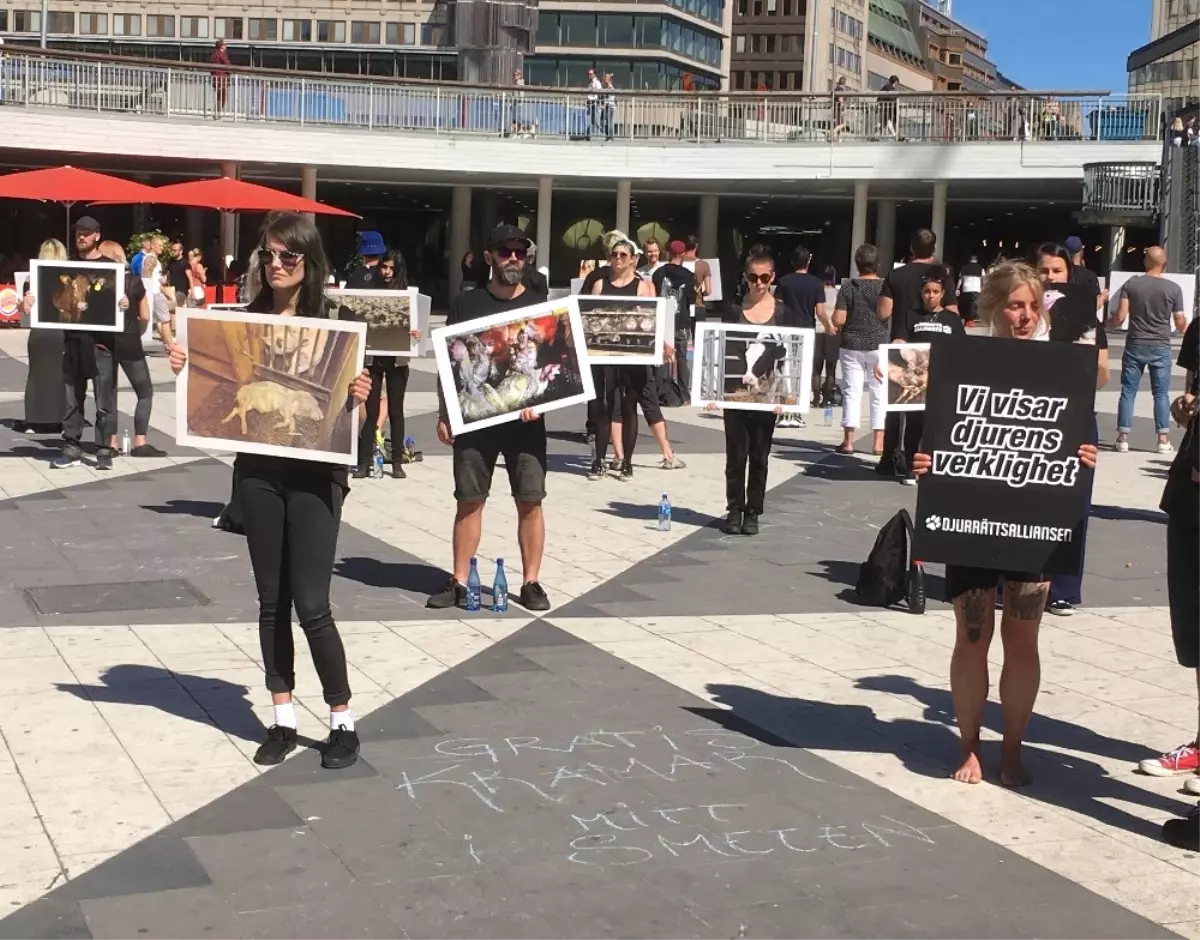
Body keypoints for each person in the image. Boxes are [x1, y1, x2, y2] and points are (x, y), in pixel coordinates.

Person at [167, 212, 373, 770]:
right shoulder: (247, 320)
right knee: (270, 601)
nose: (276, 265)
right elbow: (222, 392)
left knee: (312, 604)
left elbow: (352, 415)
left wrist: (360, 393)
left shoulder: (336, 320)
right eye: (269, 256)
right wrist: (185, 365)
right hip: (258, 473)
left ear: (310, 261)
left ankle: (342, 721)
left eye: (288, 256)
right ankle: (282, 718)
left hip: (316, 479)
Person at [909, 261, 1098, 787]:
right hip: (970, 515)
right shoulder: (965, 358)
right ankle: (968, 745)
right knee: (972, 636)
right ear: (994, 306)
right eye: (1016, 304)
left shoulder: (1061, 365)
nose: (1025, 315)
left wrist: (1085, 454)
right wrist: (926, 462)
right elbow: (938, 434)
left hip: (1035, 520)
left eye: (1033, 306)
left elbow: (1075, 438)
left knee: (1023, 639)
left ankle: (1012, 748)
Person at [427, 224, 552, 612]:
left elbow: (552, 364)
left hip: (526, 421)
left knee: (530, 501)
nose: (513, 258)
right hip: (476, 417)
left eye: (519, 251)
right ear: (489, 257)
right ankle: (459, 581)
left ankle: (531, 582)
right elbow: (449, 363)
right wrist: (445, 411)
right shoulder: (467, 304)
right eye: (504, 251)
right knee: (469, 501)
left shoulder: (538, 304)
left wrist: (544, 401)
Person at [1144, 316, 1200, 801]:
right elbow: (1190, 403)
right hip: (1189, 492)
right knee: (1195, 626)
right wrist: (1185, 410)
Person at [23, 217, 129, 471]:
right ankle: (71, 445)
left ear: (97, 237)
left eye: (87, 233)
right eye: (79, 233)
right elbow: (51, 299)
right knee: (72, 399)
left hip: (101, 344)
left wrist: (123, 302)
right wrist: (29, 302)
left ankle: (103, 448)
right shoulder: (66, 266)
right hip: (72, 342)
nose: (81, 237)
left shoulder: (109, 268)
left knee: (104, 400)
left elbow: (121, 301)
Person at [713, 245, 787, 536]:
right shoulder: (733, 310)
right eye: (754, 277)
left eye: (764, 277)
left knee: (759, 455)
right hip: (736, 393)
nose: (759, 283)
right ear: (746, 277)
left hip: (768, 397)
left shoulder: (783, 312)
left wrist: (787, 399)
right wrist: (713, 393)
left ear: (772, 277)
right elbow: (721, 351)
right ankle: (734, 508)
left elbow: (794, 354)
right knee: (735, 455)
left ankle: (753, 510)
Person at [877, 229, 957, 475]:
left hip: (904, 341)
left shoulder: (896, 274)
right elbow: (953, 311)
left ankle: (890, 458)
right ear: (933, 249)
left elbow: (883, 313)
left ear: (911, 248)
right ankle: (920, 462)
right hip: (927, 347)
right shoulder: (943, 275)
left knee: (898, 407)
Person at [1109, 246, 1186, 455]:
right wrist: (1184, 325)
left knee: (1128, 392)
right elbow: (1179, 322)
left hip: (1135, 343)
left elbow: (1121, 316)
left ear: (1145, 262)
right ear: (1164, 263)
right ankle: (1162, 440)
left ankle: (1122, 438)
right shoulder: (1174, 289)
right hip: (1160, 345)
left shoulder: (1131, 284)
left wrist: (1108, 323)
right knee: (1161, 394)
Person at [349, 249, 416, 480]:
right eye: (384, 267)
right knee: (371, 412)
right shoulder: (370, 291)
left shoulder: (408, 295)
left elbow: (419, 331)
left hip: (398, 360)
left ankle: (397, 461)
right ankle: (364, 462)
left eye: (391, 268)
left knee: (396, 410)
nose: (387, 272)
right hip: (374, 358)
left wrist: (415, 333)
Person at [103, 241, 166, 458]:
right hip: (129, 340)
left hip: (104, 343)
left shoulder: (97, 281)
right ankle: (140, 442)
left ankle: (110, 442)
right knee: (144, 391)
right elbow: (146, 316)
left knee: (108, 392)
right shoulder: (132, 281)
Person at [833, 243, 887, 456]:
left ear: (857, 264)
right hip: (879, 345)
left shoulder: (848, 287)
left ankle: (848, 442)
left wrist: (833, 321)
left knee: (852, 392)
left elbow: (839, 318)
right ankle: (878, 443)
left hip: (851, 345)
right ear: (877, 264)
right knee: (879, 393)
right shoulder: (886, 287)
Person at [775, 245, 830, 429]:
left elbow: (777, 306)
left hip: (787, 330)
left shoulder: (784, 281)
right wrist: (829, 326)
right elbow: (820, 311)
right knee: (803, 372)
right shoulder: (816, 283)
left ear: (792, 262)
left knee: (786, 370)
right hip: (807, 331)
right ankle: (797, 412)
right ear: (809, 262)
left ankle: (785, 412)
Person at [16, 239, 68, 435]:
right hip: (60, 330)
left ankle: (36, 418)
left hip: (40, 332)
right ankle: (59, 417)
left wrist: (26, 303)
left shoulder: (32, 278)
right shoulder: (67, 278)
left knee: (37, 375)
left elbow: (24, 311)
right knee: (60, 374)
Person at [652, 240, 697, 403]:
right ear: (684, 254)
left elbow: (654, 295)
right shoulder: (689, 276)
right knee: (683, 358)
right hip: (682, 321)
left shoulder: (658, 273)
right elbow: (691, 300)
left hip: (662, 321)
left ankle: (661, 393)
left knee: (662, 357)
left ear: (667, 252)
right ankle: (685, 395)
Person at [956, 253, 984, 324]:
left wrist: (957, 289)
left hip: (966, 288)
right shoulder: (980, 268)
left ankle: (967, 318)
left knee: (966, 304)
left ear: (970, 260)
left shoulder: (964, 267)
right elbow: (983, 279)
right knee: (974, 304)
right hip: (976, 288)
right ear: (976, 260)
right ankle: (972, 319)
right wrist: (984, 288)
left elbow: (960, 279)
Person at [210, 39, 232, 118]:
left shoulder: (213, 55)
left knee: (220, 96)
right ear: (221, 46)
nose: (226, 46)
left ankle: (216, 113)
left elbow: (211, 69)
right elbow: (228, 64)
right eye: (225, 45)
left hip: (216, 79)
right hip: (222, 79)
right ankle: (217, 113)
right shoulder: (221, 54)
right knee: (223, 97)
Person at [166, 239, 190, 308]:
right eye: (172, 250)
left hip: (181, 291)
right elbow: (168, 275)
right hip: (171, 290)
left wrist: (192, 291)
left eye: (175, 250)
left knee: (176, 308)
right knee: (172, 310)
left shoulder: (184, 262)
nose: (173, 252)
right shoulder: (170, 261)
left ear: (181, 251)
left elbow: (190, 278)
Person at [586, 69, 602, 139]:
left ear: (594, 74)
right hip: (590, 105)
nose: (589, 75)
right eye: (588, 73)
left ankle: (607, 133)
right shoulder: (590, 83)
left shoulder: (597, 82)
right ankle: (588, 136)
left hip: (595, 104)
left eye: (591, 74)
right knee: (589, 121)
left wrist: (595, 99)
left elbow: (600, 92)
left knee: (596, 123)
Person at [602, 72, 616, 141]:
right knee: (607, 122)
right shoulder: (607, 87)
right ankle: (609, 136)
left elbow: (610, 98)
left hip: (610, 106)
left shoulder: (610, 87)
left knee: (609, 122)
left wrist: (606, 104)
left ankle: (611, 136)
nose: (605, 80)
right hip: (607, 106)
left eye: (606, 78)